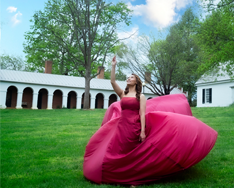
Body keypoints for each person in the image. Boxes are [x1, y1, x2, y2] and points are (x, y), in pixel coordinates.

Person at [83, 56, 218, 186]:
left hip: (134, 126)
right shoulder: (123, 94)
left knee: (133, 155)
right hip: (121, 127)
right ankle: (116, 175)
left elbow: (142, 114)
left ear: (136, 82)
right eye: (128, 77)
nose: (129, 78)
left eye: (132, 77)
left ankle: (132, 179)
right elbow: (112, 82)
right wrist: (113, 66)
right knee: (119, 151)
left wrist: (142, 131)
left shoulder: (140, 96)